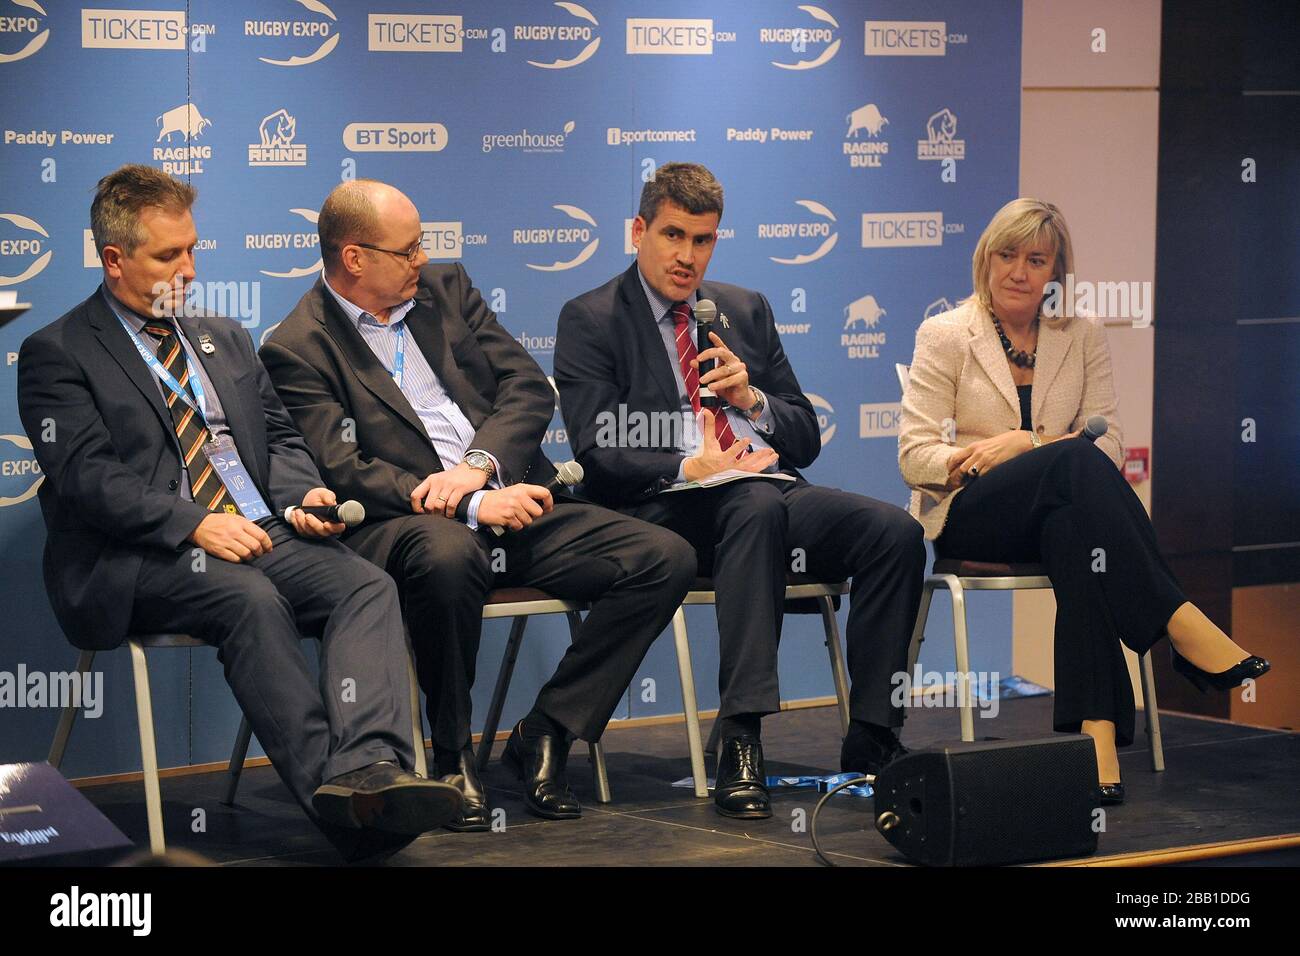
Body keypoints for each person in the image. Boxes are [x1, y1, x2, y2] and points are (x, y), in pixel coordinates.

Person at [16, 165, 463, 862]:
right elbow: (85, 479)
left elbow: (278, 436)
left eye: (193, 249)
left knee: (365, 583)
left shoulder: (222, 334)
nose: (189, 269)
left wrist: (299, 495)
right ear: (113, 260)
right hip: (143, 555)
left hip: (260, 528)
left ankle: (372, 768)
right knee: (248, 599)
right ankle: (347, 809)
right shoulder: (59, 352)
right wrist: (194, 524)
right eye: (169, 255)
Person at [260, 180, 695, 828]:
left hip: (509, 490)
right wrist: (463, 506)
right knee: (447, 554)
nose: (421, 260)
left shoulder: (444, 290)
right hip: (407, 524)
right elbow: (342, 468)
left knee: (663, 556)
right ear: (354, 258)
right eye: (406, 250)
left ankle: (546, 730)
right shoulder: (297, 345)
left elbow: (524, 383)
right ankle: (450, 754)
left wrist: (477, 468)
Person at [554, 162, 925, 820]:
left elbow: (805, 438)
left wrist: (749, 397)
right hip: (666, 510)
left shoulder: (743, 309)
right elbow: (596, 451)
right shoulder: (592, 318)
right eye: (672, 236)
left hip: (766, 488)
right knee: (751, 507)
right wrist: (683, 466)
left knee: (895, 532)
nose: (686, 256)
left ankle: (872, 733)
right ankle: (743, 735)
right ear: (639, 230)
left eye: (702, 240)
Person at [898, 197, 1271, 804]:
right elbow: (915, 455)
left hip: (1055, 514)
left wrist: (1030, 444)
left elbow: (1114, 443)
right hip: (973, 513)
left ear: (1056, 273)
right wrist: (985, 457)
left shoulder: (1083, 334)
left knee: (1078, 530)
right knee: (1075, 458)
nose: (1019, 271)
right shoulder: (946, 334)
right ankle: (1178, 620)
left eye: (1036, 259)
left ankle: (1095, 738)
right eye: (1007, 255)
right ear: (986, 258)